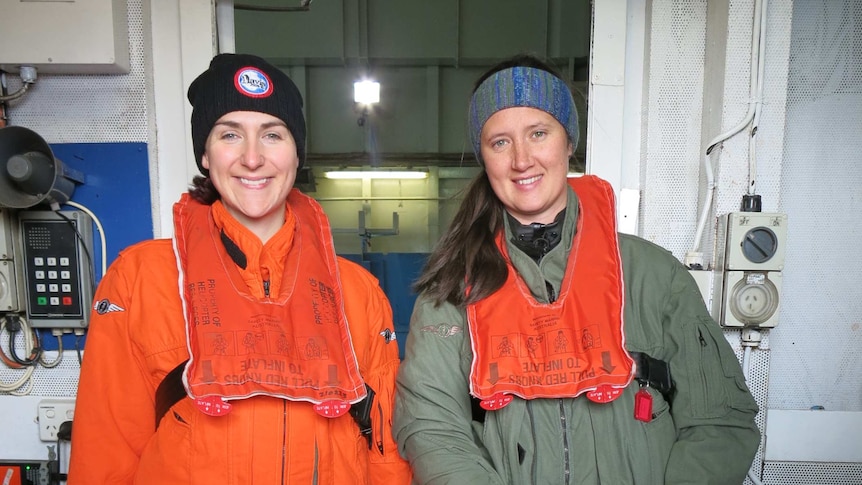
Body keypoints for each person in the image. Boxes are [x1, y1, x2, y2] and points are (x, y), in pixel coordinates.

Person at [392, 54, 761, 484]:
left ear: (569, 142)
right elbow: (433, 431)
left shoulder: (654, 276)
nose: (522, 159)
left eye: (538, 133)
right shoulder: (451, 292)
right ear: (484, 158)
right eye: (500, 142)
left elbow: (720, 422)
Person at [68, 53, 412, 484]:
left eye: (272, 135)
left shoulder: (357, 292)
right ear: (206, 156)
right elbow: (105, 453)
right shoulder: (140, 280)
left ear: (296, 153)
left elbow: (385, 451)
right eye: (230, 135)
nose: (252, 158)